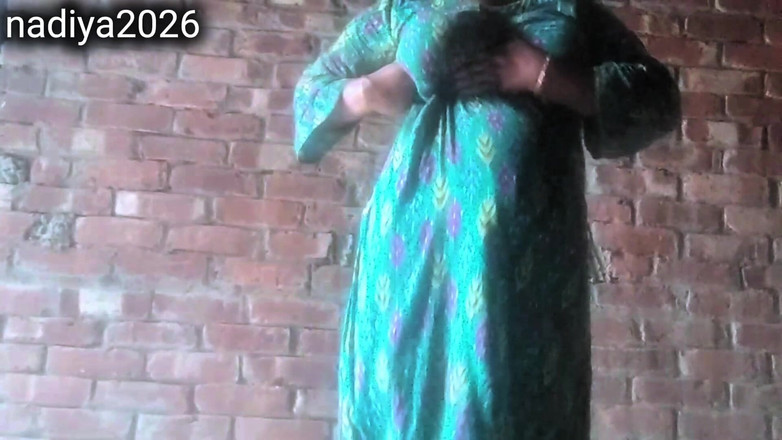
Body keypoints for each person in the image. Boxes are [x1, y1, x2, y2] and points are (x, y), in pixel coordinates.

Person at [293, 0, 681, 438]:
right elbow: (312, 88)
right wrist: (366, 91)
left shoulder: (568, 10)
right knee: (402, 394)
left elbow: (659, 98)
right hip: (410, 246)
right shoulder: (408, 8)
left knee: (513, 397)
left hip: (525, 256)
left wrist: (545, 74)